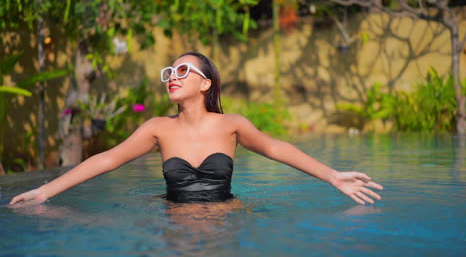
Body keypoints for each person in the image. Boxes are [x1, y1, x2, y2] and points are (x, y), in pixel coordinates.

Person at [9, 51, 383, 206]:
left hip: (227, 227)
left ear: (206, 84)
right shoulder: (157, 128)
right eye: (170, 72)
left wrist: (334, 176)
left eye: (183, 71)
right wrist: (45, 192)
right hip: (174, 231)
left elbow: (277, 149)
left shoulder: (232, 125)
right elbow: (106, 160)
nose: (173, 77)